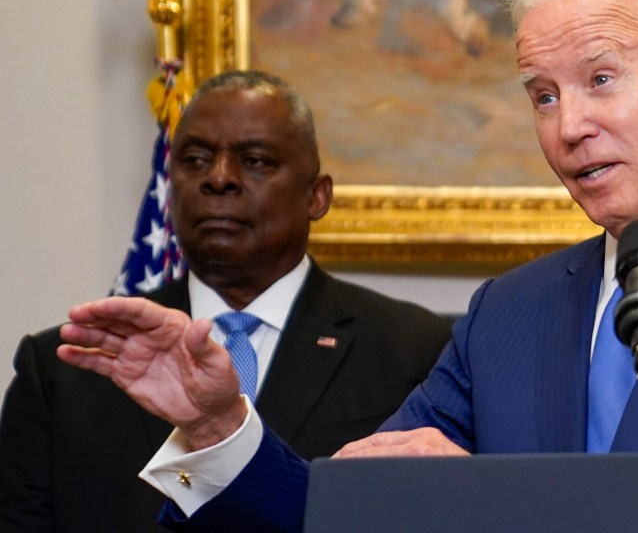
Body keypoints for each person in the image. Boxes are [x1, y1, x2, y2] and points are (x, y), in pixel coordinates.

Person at [56, 0, 638, 532]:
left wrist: (491, 508)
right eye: (541, 95)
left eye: (600, 79)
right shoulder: (509, 312)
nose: (570, 127)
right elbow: (347, 514)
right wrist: (218, 426)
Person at [0, 70, 452, 533]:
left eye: (254, 161)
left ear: (317, 196)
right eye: (194, 159)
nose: (218, 179)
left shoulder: (413, 351)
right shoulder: (65, 368)